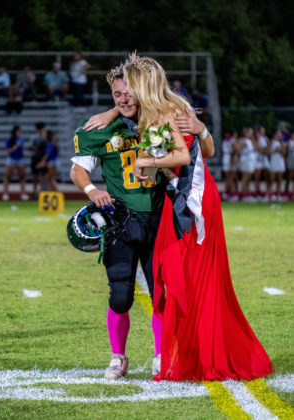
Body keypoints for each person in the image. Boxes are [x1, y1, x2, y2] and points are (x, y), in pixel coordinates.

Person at [123, 54, 272, 382]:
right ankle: (196, 353)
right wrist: (149, 165)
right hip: (187, 196)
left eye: (131, 84)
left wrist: (146, 163)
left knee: (186, 275)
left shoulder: (163, 111)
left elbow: (187, 154)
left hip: (193, 201)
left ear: (142, 84)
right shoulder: (168, 106)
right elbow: (194, 153)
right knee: (189, 276)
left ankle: (198, 356)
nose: (127, 92)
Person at [70, 60, 204, 380]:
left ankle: (161, 355)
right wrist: (91, 190)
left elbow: (171, 159)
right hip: (121, 221)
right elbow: (78, 169)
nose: (123, 99)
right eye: (117, 94)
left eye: (128, 93)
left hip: (158, 219)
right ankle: (119, 358)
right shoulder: (100, 128)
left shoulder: (155, 122)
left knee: (162, 294)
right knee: (120, 294)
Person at [2, 125, 29, 201]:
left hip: (20, 159)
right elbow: (8, 151)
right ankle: (5, 193)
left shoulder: (21, 139)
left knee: (22, 177)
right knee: (8, 176)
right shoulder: (9, 140)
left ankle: (23, 194)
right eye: (18, 131)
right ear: (15, 132)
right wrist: (16, 146)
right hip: (11, 159)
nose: (20, 133)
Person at [28, 122, 48, 197]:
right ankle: (35, 192)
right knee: (35, 176)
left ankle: (44, 191)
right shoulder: (34, 137)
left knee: (44, 176)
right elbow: (30, 147)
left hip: (43, 158)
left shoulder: (46, 136)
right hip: (36, 158)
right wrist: (35, 148)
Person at [269, 130, 286, 201]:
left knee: (279, 180)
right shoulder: (271, 142)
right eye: (278, 134)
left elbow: (283, 154)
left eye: (280, 135)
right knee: (271, 180)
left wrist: (282, 148)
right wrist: (274, 150)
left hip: (280, 162)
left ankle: (278, 195)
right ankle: (270, 195)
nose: (280, 136)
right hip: (273, 162)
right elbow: (268, 152)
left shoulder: (282, 143)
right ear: (274, 135)